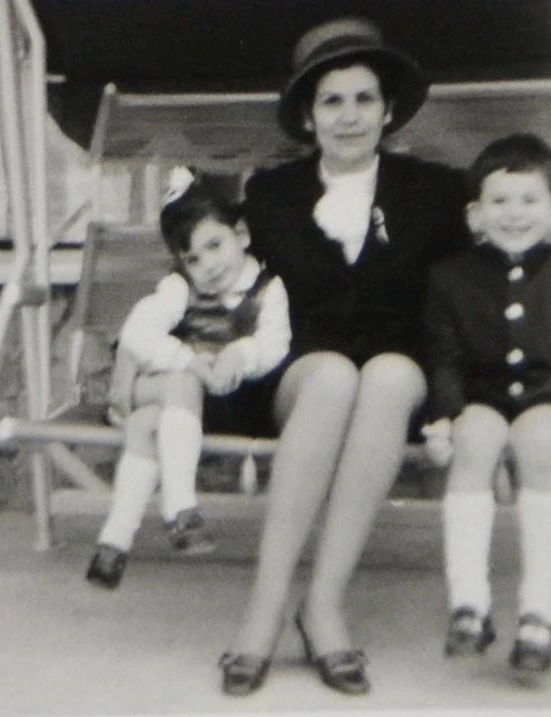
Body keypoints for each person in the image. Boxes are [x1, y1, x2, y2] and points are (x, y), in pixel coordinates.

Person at [218, 18, 472, 696]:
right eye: (332, 101)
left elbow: (467, 289)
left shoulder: (436, 192)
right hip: (300, 370)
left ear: (388, 110)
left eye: (365, 99)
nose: (350, 116)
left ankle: (324, 605)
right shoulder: (271, 195)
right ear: (308, 116)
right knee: (332, 376)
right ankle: (264, 608)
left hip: (399, 371)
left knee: (387, 376)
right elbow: (227, 288)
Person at [86, 168, 290, 589]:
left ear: (241, 235)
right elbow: (137, 333)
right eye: (193, 259)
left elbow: (275, 345)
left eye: (214, 246)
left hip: (226, 407)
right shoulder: (178, 288)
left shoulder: (268, 290)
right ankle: (181, 510)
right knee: (182, 381)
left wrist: (242, 353)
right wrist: (189, 361)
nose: (208, 265)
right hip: (175, 395)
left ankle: (114, 542)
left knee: (146, 424)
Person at [422, 133, 551, 674]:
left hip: (546, 397)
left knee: (544, 444)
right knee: (472, 441)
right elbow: (445, 359)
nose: (514, 213)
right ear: (475, 214)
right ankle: (469, 603)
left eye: (530, 199)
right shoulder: (451, 276)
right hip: (483, 396)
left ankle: (540, 609)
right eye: (499, 201)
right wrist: (444, 415)